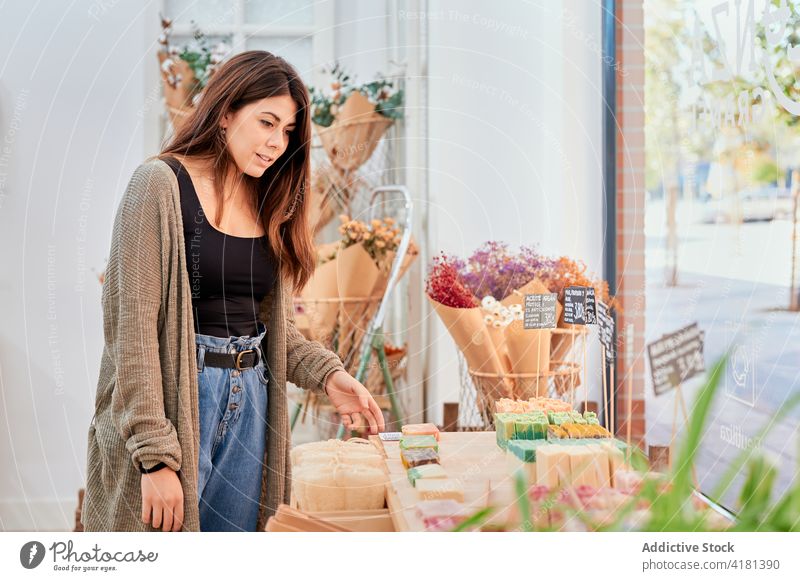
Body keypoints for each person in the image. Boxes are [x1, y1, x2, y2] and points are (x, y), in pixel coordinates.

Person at [82, 51, 385, 532]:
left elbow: (277, 335)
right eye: (267, 122)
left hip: (252, 404)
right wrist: (153, 456)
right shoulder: (159, 185)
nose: (276, 143)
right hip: (180, 404)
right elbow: (131, 331)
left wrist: (331, 377)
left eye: (287, 131)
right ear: (225, 113)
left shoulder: (271, 201)